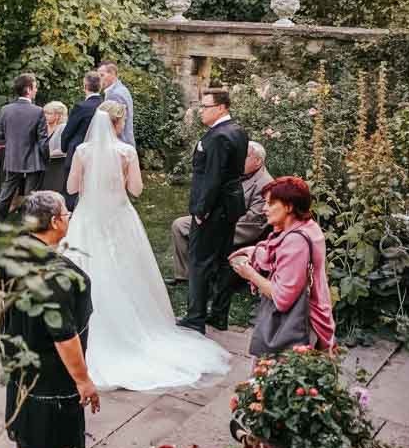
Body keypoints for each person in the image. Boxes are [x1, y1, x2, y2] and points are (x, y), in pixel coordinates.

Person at [64, 104, 230, 390]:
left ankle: (77, 330)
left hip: (87, 219)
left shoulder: (82, 151)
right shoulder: (126, 152)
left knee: (82, 268)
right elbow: (137, 189)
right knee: (126, 271)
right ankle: (134, 328)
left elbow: (70, 188)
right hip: (118, 218)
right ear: (118, 123)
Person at [0, 191, 99, 448]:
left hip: (19, 356)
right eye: (66, 213)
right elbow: (64, 336)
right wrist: (83, 380)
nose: (69, 217)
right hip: (49, 367)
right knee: (52, 434)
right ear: (55, 222)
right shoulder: (56, 275)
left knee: (27, 419)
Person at [231, 176, 336, 353]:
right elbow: (282, 257)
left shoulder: (296, 241)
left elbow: (283, 299)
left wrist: (249, 274)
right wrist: (255, 251)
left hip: (297, 327)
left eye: (271, 203)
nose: (264, 209)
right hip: (318, 312)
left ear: (289, 206)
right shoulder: (307, 227)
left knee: (282, 377)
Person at [177, 88, 249, 335]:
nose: (200, 111)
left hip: (214, 208)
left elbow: (213, 177)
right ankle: (218, 314)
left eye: (205, 107)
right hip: (229, 207)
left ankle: (195, 317)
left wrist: (201, 210)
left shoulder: (218, 136)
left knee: (199, 261)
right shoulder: (237, 130)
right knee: (221, 261)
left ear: (221, 108)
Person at [171, 140, 272, 282]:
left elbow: (253, 224)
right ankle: (185, 275)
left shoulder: (264, 184)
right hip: (217, 218)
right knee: (180, 225)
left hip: (237, 229)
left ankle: (207, 279)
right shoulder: (235, 172)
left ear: (257, 161)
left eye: (244, 156)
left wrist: (216, 227)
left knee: (205, 234)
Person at [0, 74, 49, 222]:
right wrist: (46, 158)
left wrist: (13, 144)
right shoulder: (38, 111)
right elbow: (43, 141)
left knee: (6, 194)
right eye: (35, 87)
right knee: (31, 197)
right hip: (34, 160)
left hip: (13, 158)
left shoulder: (5, 110)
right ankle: (26, 229)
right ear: (28, 89)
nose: (36, 90)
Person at [59, 72, 103, 211]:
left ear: (85, 86)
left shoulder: (81, 107)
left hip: (78, 151)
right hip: (100, 152)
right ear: (100, 86)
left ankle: (69, 216)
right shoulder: (106, 106)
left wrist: (64, 147)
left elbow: (68, 131)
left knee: (71, 189)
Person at [97, 60, 135, 148]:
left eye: (102, 75)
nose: (99, 79)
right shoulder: (121, 89)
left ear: (113, 74)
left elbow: (115, 126)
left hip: (119, 145)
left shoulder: (115, 95)